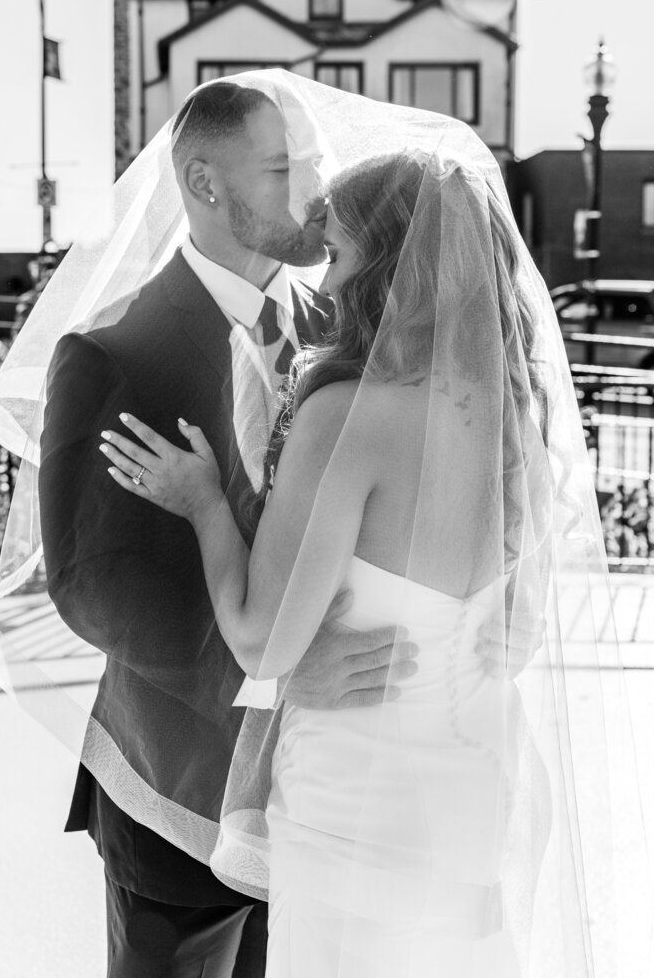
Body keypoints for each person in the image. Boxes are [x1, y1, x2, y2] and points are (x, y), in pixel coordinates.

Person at [98, 142, 649, 976]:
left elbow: (260, 642)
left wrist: (205, 504)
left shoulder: (350, 418)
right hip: (471, 783)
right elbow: (520, 634)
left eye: (341, 254)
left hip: (353, 792)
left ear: (390, 268)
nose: (324, 279)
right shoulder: (512, 421)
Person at [36, 82, 421, 978]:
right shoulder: (110, 354)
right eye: (284, 171)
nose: (316, 194)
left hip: (319, 799)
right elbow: (90, 583)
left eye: (313, 166)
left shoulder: (343, 323)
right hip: (178, 795)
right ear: (204, 186)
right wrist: (276, 675)